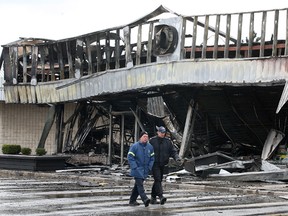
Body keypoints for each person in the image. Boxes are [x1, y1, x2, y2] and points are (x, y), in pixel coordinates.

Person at [149, 126, 182, 205]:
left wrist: (177, 158)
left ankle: (153, 197)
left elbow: (173, 151)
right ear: (158, 132)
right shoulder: (152, 141)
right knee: (158, 179)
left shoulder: (167, 142)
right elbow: (147, 151)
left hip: (163, 164)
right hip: (154, 164)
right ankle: (161, 196)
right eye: (161, 132)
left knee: (158, 180)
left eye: (163, 133)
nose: (162, 134)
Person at [127, 131, 155, 207]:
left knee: (137, 186)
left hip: (145, 170)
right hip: (137, 169)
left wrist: (150, 167)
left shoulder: (150, 147)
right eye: (144, 137)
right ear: (140, 137)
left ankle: (132, 201)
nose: (146, 138)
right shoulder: (135, 146)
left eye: (147, 137)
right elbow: (130, 157)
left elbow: (152, 158)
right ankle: (145, 199)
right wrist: (134, 166)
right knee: (140, 185)